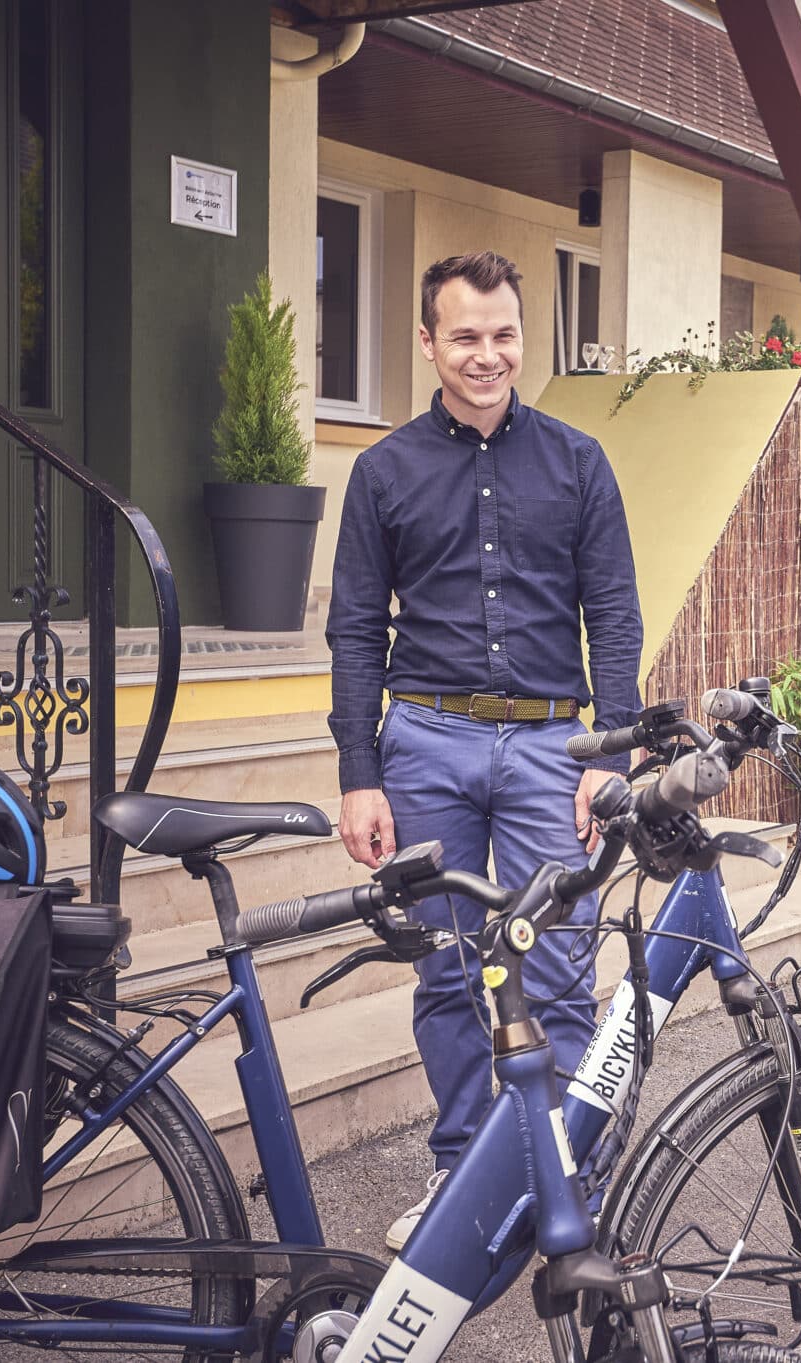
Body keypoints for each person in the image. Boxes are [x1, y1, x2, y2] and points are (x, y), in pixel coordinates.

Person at [325, 250, 643, 1250]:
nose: (488, 354)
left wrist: (610, 757)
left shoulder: (579, 463)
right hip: (426, 744)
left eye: (504, 334)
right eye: (465, 335)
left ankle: (572, 1175)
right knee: (450, 970)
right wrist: (360, 775)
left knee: (558, 968)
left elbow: (615, 616)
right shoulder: (382, 473)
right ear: (428, 341)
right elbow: (353, 631)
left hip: (554, 746)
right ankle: (465, 1175)